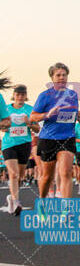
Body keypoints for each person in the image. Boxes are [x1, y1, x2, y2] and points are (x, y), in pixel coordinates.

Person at [31, 62, 79, 199]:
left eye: (64, 75)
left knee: (65, 172)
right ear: (52, 78)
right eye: (58, 75)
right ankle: (43, 201)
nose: (61, 78)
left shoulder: (73, 95)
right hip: (49, 138)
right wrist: (47, 114)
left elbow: (71, 114)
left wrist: (79, 117)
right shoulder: (45, 96)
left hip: (67, 137)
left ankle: (66, 208)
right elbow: (33, 117)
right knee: (47, 177)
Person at [2, 85, 39, 215]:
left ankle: (11, 198)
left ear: (25, 96)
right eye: (17, 94)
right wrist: (4, 127)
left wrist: (29, 123)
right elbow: (2, 126)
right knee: (13, 174)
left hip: (24, 144)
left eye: (22, 94)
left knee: (20, 176)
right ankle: (17, 202)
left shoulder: (30, 109)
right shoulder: (6, 109)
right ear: (14, 95)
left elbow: (38, 129)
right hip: (9, 144)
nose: (20, 96)